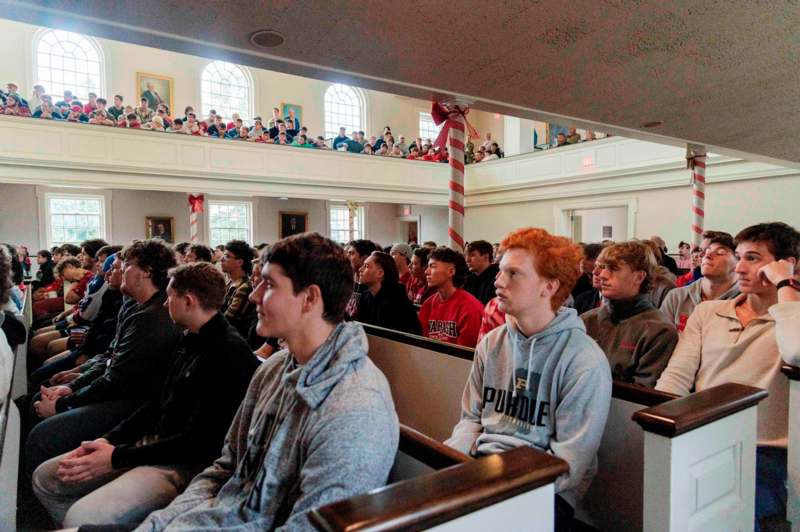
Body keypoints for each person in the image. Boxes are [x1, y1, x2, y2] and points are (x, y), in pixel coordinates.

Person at [134, 232, 399, 529]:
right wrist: (162, 523)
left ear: (310, 298)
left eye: (269, 284)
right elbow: (226, 469)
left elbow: (308, 527)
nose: (253, 295)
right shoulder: (273, 369)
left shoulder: (355, 408)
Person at [32, 262, 259, 527]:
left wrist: (117, 457)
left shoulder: (229, 353)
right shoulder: (189, 338)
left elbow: (198, 442)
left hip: (185, 463)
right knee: (46, 476)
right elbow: (155, 403)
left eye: (170, 297)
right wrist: (107, 441)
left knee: (82, 515)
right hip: (152, 443)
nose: (165, 304)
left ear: (188, 301)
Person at [445, 227, 612, 531]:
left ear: (548, 286)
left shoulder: (584, 361)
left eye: (513, 273)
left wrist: (492, 493)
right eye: (500, 271)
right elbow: (470, 419)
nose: (498, 281)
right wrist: (449, 468)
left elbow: (569, 465)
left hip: (547, 489)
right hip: (483, 471)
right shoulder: (492, 343)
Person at [656, 222, 800, 530]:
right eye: (739, 256)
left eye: (753, 258)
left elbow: (797, 352)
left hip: (764, 450)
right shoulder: (708, 312)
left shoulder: (792, 317)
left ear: (787, 264)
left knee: (727, 515)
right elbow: (676, 377)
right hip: (701, 434)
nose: (740, 267)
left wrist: (786, 284)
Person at [26, 239, 183, 476]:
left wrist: (63, 403)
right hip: (118, 389)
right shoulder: (135, 306)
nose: (111, 270)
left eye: (126, 265)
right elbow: (110, 356)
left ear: (146, 272)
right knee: (43, 393)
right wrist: (72, 387)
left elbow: (117, 379)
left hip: (135, 401)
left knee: (42, 437)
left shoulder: (153, 316)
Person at [581, 241, 678, 387]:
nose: (602, 275)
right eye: (601, 267)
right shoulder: (587, 320)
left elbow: (640, 394)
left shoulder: (659, 331)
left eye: (613, 268)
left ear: (639, 277)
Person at [660, 231, 739, 332]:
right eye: (703, 251)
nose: (704, 255)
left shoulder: (746, 302)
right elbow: (662, 342)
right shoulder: (677, 297)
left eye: (719, 253)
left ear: (738, 261)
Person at [418, 247, 484, 347]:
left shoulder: (471, 309)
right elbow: (423, 345)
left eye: (432, 266)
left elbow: (464, 355)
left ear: (451, 272)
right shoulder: (428, 304)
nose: (426, 272)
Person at [354, 251, 421, 334]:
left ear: (380, 273)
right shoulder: (365, 296)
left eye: (366, 266)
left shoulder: (397, 302)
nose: (360, 269)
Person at [220, 240, 256, 337]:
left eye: (227, 256)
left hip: (231, 338)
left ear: (239, 262)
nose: (221, 259)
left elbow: (227, 320)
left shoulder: (244, 287)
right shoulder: (230, 282)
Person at [344, 239, 380, 318]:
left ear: (364, 258)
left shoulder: (373, 286)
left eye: (351, 253)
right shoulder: (349, 281)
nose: (347, 256)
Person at [463, 240, 500, 305]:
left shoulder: (497, 280)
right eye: (466, 256)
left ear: (486, 257)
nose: (467, 260)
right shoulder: (467, 280)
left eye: (472, 255)